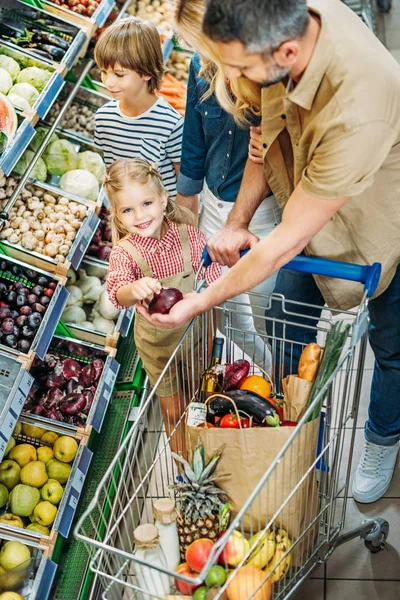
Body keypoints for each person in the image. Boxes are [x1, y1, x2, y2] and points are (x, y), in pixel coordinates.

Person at [138, 0, 400, 504]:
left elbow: (286, 241)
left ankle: (382, 438)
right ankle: (296, 433)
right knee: (285, 321)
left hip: (380, 215)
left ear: (284, 52)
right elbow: (264, 140)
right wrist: (236, 222)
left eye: (236, 69)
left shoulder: (358, 104)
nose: (226, 79)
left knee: (393, 346)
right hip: (314, 196)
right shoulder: (280, 32)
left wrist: (197, 301)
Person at [174, 0, 282, 370]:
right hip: (212, 206)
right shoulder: (199, 67)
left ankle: (277, 376)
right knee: (227, 312)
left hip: (261, 214)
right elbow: (194, 140)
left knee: (264, 311)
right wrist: (185, 204)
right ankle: (253, 375)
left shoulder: (262, 72)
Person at [105, 158, 221, 452]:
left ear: (162, 199)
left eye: (146, 204)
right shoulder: (125, 253)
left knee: (200, 400)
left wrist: (209, 291)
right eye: (128, 210)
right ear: (117, 216)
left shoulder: (189, 235)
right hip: (158, 349)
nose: (140, 215)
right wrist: (135, 288)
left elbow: (212, 276)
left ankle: (205, 454)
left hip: (196, 337)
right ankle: (182, 466)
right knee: (173, 410)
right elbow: (117, 292)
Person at [94, 17, 183, 198]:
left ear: (147, 72)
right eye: (104, 72)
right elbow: (112, 175)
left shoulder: (171, 124)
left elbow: (185, 186)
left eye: (119, 74)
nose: (108, 82)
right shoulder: (103, 118)